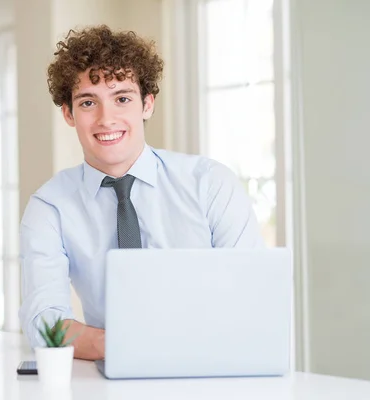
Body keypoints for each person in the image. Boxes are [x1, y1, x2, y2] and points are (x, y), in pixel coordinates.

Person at [18, 25, 264, 361]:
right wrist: (126, 345)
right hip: (109, 374)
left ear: (147, 104)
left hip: (213, 368)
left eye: (122, 99)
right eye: (88, 102)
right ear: (68, 114)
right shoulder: (50, 207)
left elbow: (251, 298)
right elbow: (44, 323)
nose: (107, 119)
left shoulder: (210, 184)